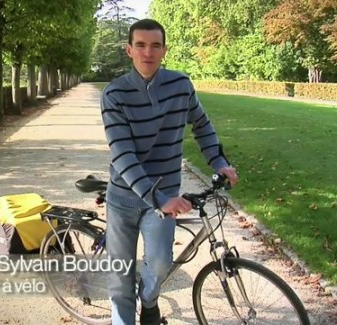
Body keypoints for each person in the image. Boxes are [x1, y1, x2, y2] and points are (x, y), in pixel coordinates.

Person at [100, 18, 238, 325]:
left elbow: (202, 125)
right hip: (123, 199)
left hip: (164, 197)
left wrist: (219, 163)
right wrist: (158, 197)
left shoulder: (180, 85)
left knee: (161, 263)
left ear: (164, 50)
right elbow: (122, 154)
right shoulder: (114, 94)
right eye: (140, 45)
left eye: (155, 45)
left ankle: (149, 301)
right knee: (120, 278)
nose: (147, 52)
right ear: (129, 50)